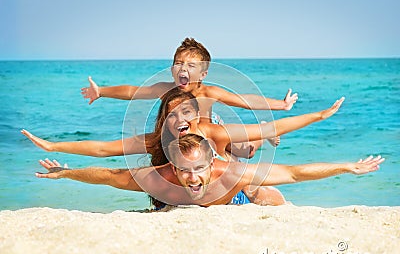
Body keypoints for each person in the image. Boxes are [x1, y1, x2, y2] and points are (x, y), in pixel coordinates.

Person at [22, 88, 344, 206]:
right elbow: (104, 152)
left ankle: (254, 156)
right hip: (176, 192)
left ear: (196, 114)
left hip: (220, 188)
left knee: (258, 188)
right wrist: (54, 147)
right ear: (165, 118)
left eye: (187, 112)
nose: (181, 120)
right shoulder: (154, 141)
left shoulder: (210, 131)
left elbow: (269, 126)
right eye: (173, 114)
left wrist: (318, 115)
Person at [81, 38, 299, 157]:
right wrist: (101, 92)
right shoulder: (164, 89)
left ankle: (262, 133)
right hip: (185, 134)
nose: (183, 69)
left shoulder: (209, 92)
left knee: (247, 152)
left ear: (203, 74)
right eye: (178, 63)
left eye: (191, 66)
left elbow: (243, 100)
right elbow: (132, 92)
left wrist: (281, 105)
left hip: (212, 130)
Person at [35, 134, 385, 207]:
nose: (192, 177)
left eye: (199, 168)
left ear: (211, 163)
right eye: (184, 170)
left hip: (234, 203)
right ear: (173, 166)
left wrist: (345, 166)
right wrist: (66, 173)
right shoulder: (162, 177)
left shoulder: (230, 172)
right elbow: (110, 176)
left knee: (266, 194)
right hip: (176, 206)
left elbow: (293, 172)